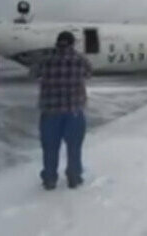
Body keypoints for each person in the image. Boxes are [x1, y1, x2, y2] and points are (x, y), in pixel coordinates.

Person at [33, 31, 92, 190]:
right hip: (74, 111)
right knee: (74, 147)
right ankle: (74, 177)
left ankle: (50, 179)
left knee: (50, 148)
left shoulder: (45, 60)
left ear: (57, 42)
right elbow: (88, 73)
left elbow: (32, 73)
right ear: (72, 43)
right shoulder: (80, 60)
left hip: (50, 112)